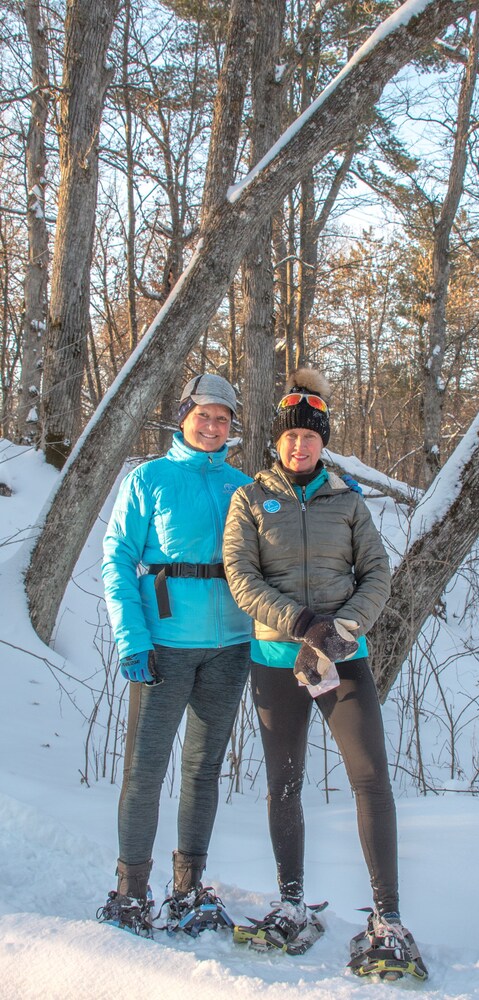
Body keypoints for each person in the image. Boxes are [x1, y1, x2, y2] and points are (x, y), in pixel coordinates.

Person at [223, 368, 423, 970]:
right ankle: (292, 905)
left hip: (344, 660)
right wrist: (302, 622)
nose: (300, 445)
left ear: (323, 441)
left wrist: (340, 630)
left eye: (311, 436)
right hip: (278, 659)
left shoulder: (348, 500)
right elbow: (242, 577)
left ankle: (387, 918)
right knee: (283, 783)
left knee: (370, 779)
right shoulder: (251, 499)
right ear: (276, 441)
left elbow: (378, 576)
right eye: (291, 436)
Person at [98, 373, 252, 936]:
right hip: (163, 647)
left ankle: (188, 887)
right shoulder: (150, 478)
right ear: (183, 416)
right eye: (203, 415)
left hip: (231, 648)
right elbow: (115, 561)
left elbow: (286, 534)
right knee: (144, 771)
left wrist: (335, 492)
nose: (212, 427)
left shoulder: (242, 485)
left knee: (203, 770)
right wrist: (131, 639)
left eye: (223, 419)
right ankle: (131, 892)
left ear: (232, 428)